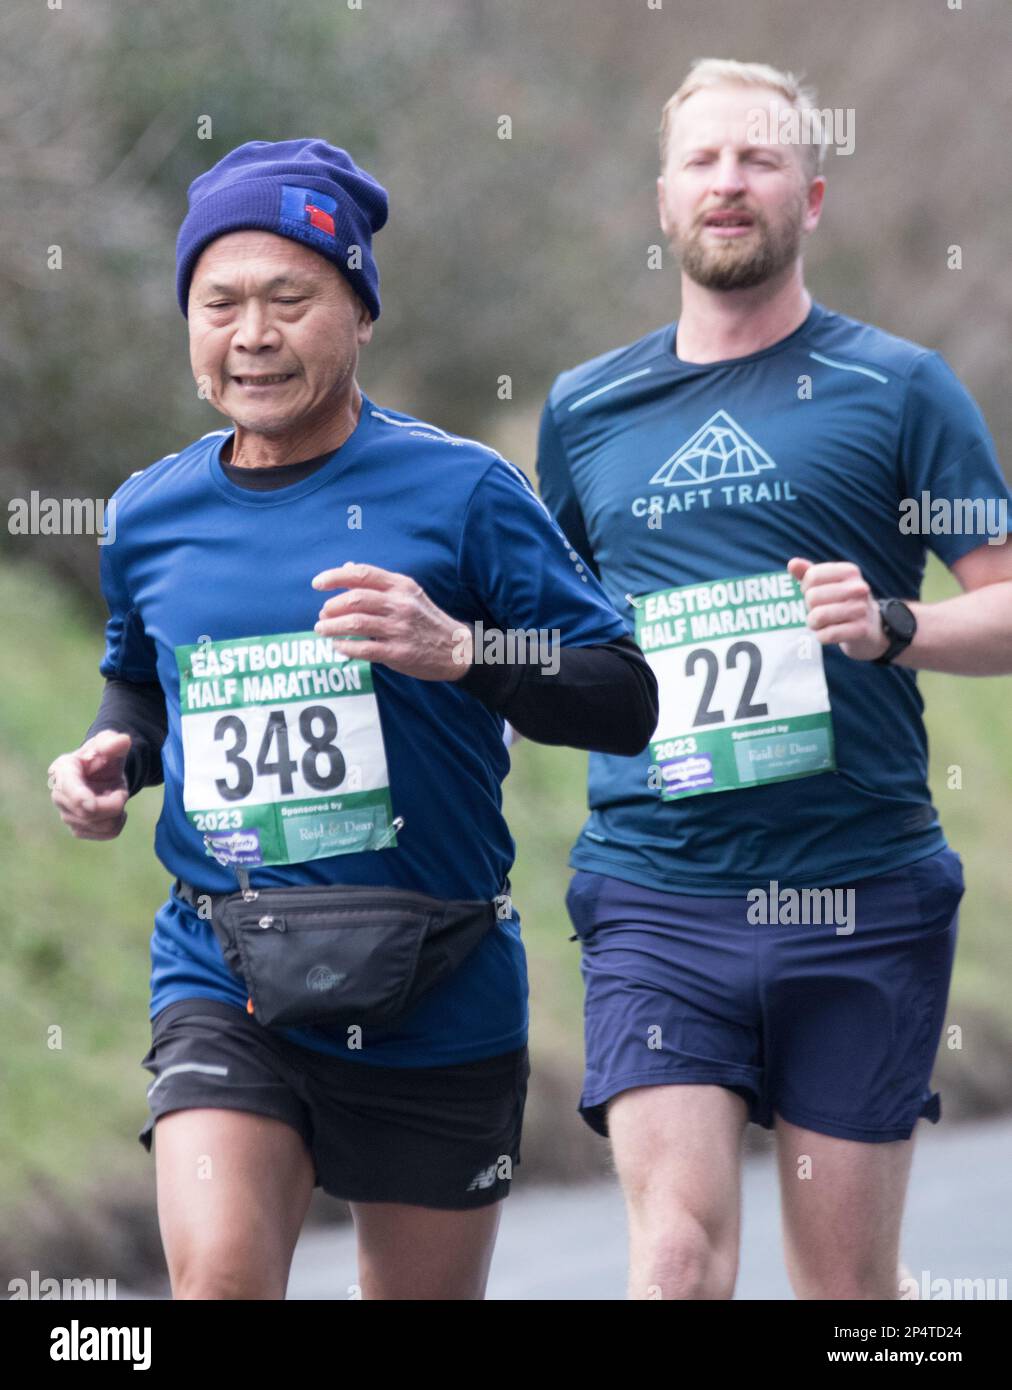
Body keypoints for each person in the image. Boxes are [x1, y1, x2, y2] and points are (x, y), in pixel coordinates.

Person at [47, 138, 657, 1301]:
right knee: (218, 1280)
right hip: (227, 967)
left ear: (359, 312)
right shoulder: (149, 514)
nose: (253, 334)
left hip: (439, 973)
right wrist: (113, 761)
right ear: (189, 322)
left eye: (292, 298)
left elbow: (625, 695)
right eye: (219, 302)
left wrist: (464, 651)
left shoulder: (464, 492)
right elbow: (142, 685)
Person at [535, 59, 1012, 1300]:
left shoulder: (900, 388)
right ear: (662, 200)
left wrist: (894, 623)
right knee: (679, 1263)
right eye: (702, 160)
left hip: (859, 889)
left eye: (756, 160)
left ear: (811, 194)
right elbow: (559, 634)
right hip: (657, 890)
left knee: (845, 1296)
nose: (728, 183)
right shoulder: (586, 409)